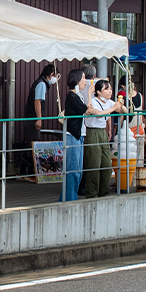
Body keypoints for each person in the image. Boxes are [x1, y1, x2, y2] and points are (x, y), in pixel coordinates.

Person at [80, 79, 127, 199]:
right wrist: (114, 108)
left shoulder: (110, 102)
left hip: (102, 133)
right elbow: (98, 113)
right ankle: (92, 194)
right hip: (93, 132)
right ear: (99, 92)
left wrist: (121, 105)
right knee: (94, 165)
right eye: (107, 89)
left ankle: (103, 192)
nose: (110, 91)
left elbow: (125, 111)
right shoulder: (93, 102)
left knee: (106, 166)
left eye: (110, 88)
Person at [58, 67, 88, 202]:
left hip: (78, 135)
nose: (85, 81)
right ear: (76, 80)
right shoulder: (72, 96)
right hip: (72, 135)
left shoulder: (78, 95)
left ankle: (66, 198)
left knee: (77, 170)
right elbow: (84, 110)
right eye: (83, 78)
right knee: (73, 170)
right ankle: (70, 199)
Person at [28, 64, 59, 142]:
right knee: (34, 143)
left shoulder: (39, 82)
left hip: (30, 117)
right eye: (56, 76)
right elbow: (37, 101)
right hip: (33, 119)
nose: (56, 79)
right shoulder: (42, 84)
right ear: (52, 74)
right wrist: (39, 119)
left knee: (32, 142)